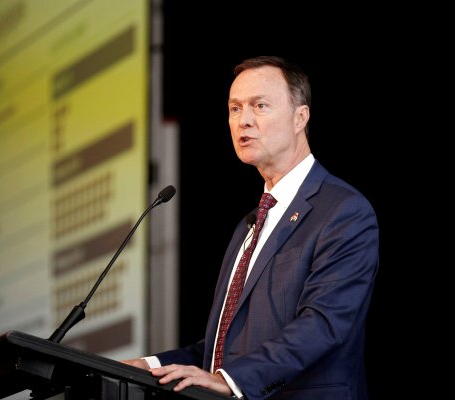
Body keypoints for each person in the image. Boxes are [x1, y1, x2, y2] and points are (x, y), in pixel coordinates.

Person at [121, 56, 380, 399]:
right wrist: (148, 364)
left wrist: (231, 380)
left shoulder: (343, 211)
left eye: (259, 106)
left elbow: (323, 324)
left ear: (300, 117)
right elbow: (220, 352)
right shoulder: (249, 225)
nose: (243, 121)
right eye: (234, 108)